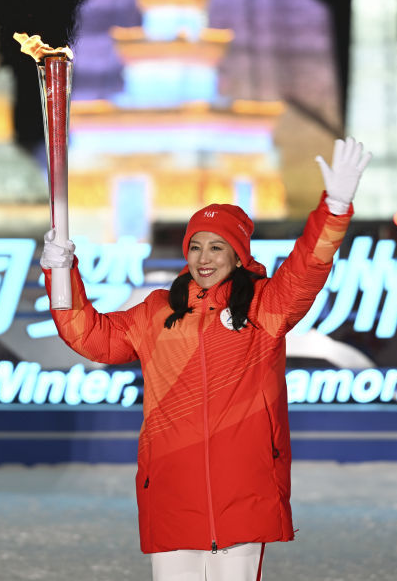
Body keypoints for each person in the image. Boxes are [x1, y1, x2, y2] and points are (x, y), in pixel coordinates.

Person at [40, 138, 371, 580]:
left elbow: (307, 268)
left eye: (217, 247)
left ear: (238, 255)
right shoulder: (157, 312)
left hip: (244, 492)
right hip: (173, 491)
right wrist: (61, 273)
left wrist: (335, 208)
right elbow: (90, 336)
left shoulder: (264, 308)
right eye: (196, 246)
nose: (204, 258)